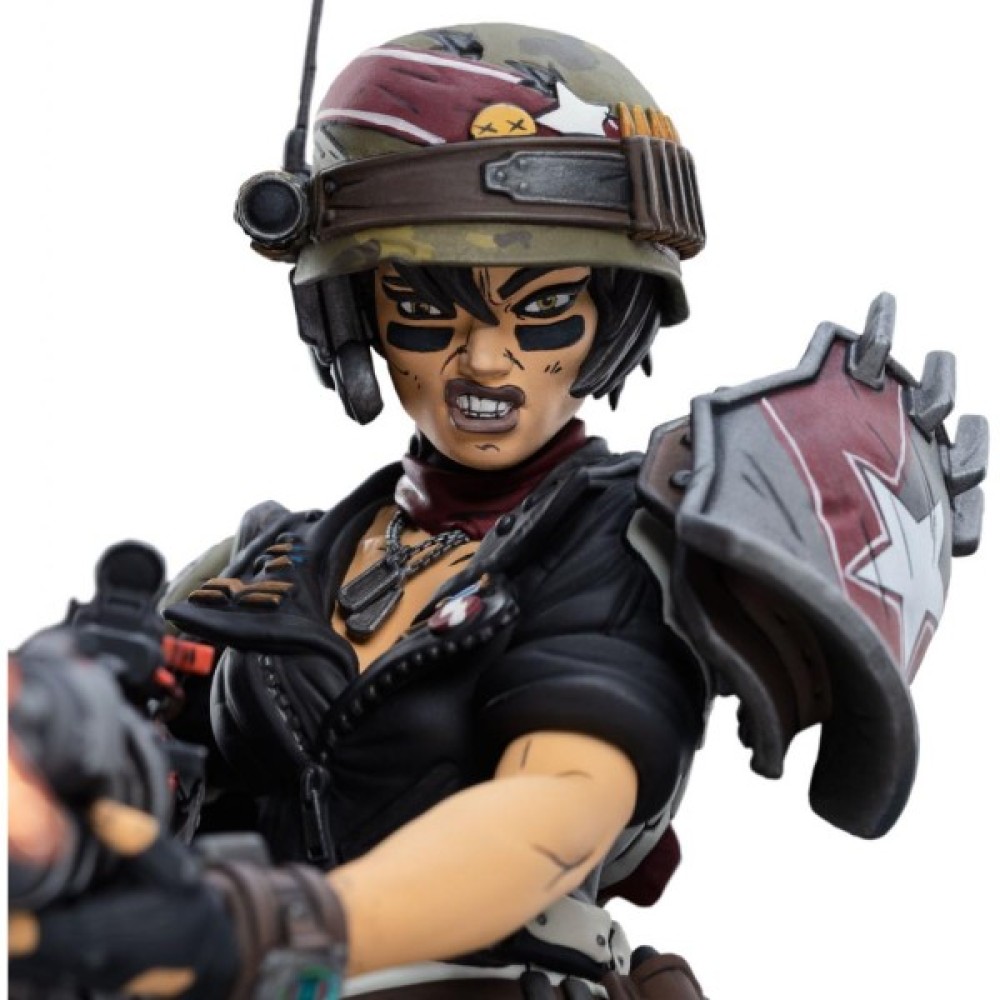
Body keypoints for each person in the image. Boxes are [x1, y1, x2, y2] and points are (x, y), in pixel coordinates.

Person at [5, 13, 990, 1000]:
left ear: (613, 317)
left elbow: (553, 813)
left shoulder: (620, 543)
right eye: (424, 309)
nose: (483, 360)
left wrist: (275, 924)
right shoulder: (272, 559)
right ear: (356, 315)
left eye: (545, 309)